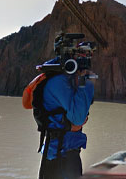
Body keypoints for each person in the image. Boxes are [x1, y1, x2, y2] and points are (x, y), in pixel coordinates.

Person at [23, 33, 95, 179]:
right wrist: (86, 83)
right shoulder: (60, 81)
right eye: (78, 54)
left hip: (58, 152)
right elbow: (78, 118)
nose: (81, 59)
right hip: (62, 156)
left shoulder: (56, 78)